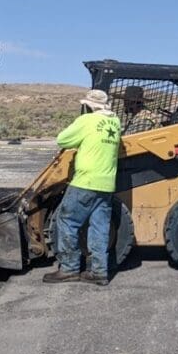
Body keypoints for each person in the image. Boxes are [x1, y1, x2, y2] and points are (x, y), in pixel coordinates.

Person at [42, 89, 121, 287]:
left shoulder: (87, 121)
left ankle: (69, 268)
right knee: (100, 227)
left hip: (85, 182)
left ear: (89, 105)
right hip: (107, 184)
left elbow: (63, 139)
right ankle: (99, 272)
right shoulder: (115, 122)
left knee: (67, 221)